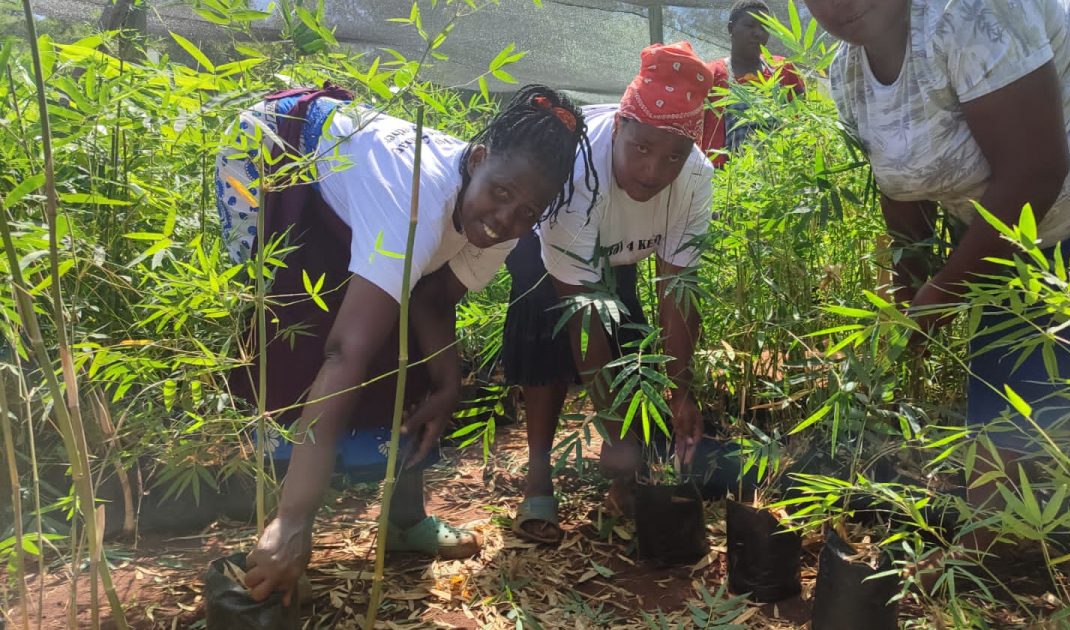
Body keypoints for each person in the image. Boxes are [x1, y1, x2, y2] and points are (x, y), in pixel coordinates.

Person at [804, 0, 1070, 604]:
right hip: (1015, 223)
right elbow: (901, 188)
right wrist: (909, 290)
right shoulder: (848, 73)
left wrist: (938, 296)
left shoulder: (970, 11)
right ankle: (979, 545)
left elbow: (1035, 170)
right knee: (998, 377)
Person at [214, 83, 597, 603]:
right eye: (502, 194)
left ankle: (402, 522)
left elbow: (433, 298)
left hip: (363, 193)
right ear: (477, 160)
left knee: (402, 344)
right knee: (296, 331)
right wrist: (295, 519)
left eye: (529, 211)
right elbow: (344, 353)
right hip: (275, 153)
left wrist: (447, 384)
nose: (506, 221)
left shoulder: (505, 222)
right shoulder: (414, 200)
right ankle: (277, 530)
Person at [501, 42, 715, 544]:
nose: (654, 172)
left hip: (619, 252)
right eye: (641, 149)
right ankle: (538, 478)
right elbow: (580, 313)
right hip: (545, 248)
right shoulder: (578, 170)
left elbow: (677, 287)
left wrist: (681, 390)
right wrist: (614, 427)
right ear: (620, 126)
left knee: (632, 349)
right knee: (544, 338)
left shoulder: (695, 177)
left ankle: (626, 480)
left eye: (673, 156)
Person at [701, 0, 805, 169]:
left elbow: (802, 121)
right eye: (750, 25)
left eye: (764, 27)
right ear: (731, 28)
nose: (758, 33)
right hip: (726, 176)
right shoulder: (712, 75)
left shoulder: (783, 69)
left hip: (781, 173)